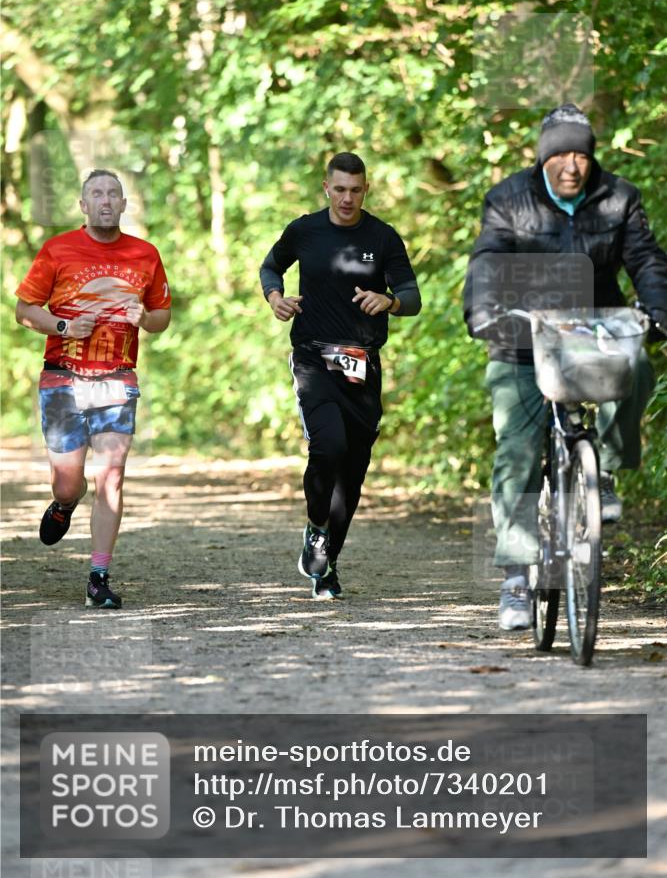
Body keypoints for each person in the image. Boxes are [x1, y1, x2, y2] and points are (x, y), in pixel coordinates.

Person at [463, 104, 667, 630]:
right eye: (561, 155)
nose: (572, 166)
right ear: (543, 158)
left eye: (581, 154)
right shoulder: (508, 199)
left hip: (592, 331)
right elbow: (488, 259)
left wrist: (658, 309)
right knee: (518, 451)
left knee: (638, 367)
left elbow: (645, 259)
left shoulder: (619, 198)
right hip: (521, 337)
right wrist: (483, 311)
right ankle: (515, 579)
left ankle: (607, 472)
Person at [260, 152, 421, 599]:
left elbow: (412, 295)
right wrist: (275, 296)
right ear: (326, 189)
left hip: (362, 364)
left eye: (356, 189)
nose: (347, 198)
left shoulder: (383, 237)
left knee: (352, 472)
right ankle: (315, 528)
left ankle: (327, 563)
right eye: (340, 189)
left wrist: (389, 302)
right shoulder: (304, 231)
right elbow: (270, 265)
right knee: (327, 446)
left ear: (365, 190)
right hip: (313, 357)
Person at [15, 169, 171, 610]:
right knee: (68, 485)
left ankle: (98, 576)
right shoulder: (58, 250)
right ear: (83, 206)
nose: (106, 200)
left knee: (112, 475)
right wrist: (65, 324)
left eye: (113, 194)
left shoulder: (145, 254)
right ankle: (64, 505)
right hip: (63, 377)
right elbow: (24, 311)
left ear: (124, 205)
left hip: (117, 378)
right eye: (97, 194)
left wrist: (144, 319)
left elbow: (162, 317)